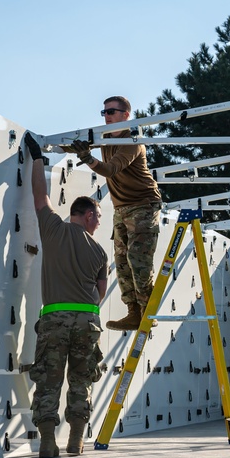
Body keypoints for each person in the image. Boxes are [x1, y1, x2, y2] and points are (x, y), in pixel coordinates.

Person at [24, 133, 108, 458]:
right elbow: (100, 294)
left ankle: (47, 441)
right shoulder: (99, 252)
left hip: (54, 317)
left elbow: (40, 195)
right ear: (87, 215)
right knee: (81, 378)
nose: (99, 223)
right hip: (87, 319)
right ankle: (76, 438)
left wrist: (36, 158)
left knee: (48, 378)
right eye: (98, 217)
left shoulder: (53, 229)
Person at [67, 96, 162, 331]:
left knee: (137, 260)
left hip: (143, 205)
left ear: (125, 115)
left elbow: (110, 169)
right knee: (121, 263)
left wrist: (87, 158)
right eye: (104, 112)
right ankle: (133, 312)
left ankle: (147, 312)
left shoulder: (132, 142)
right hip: (122, 208)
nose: (107, 116)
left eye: (111, 111)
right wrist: (54, 146)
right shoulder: (105, 137)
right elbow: (75, 144)